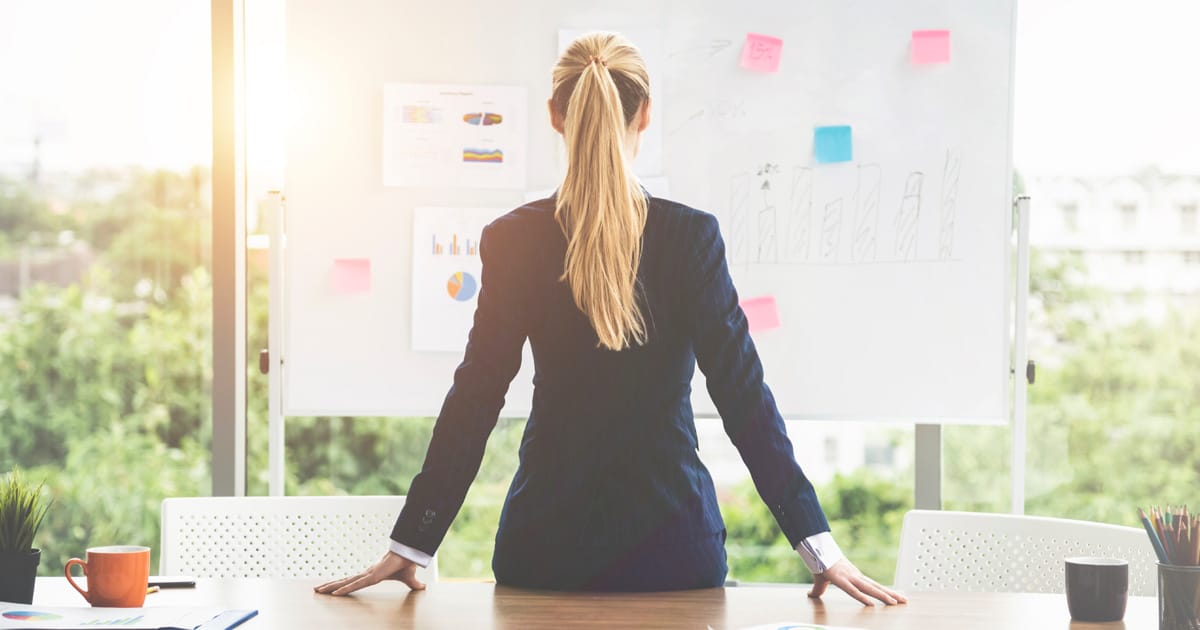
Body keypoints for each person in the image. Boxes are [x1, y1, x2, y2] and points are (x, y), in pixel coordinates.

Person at [316, 32, 906, 605]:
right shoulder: (691, 237)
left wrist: (413, 542)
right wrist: (817, 544)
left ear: (554, 115)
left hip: (544, 550)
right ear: (645, 115)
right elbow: (743, 397)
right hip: (675, 551)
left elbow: (477, 394)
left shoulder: (513, 239)